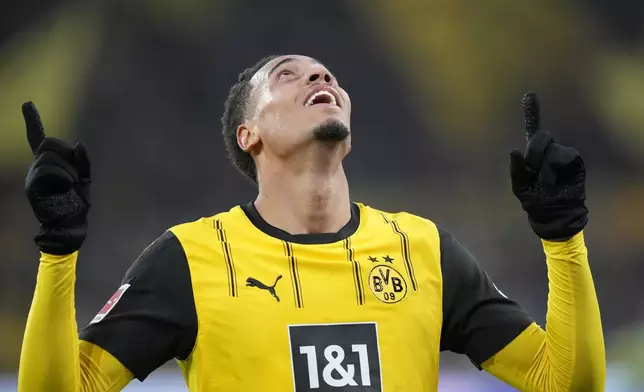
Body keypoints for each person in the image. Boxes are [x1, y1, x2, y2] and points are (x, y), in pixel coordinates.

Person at [17, 54, 605, 392]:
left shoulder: (423, 249)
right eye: (289, 76)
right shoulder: (191, 258)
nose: (321, 79)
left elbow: (568, 383)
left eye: (327, 75)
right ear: (248, 135)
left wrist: (563, 238)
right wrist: (58, 251)